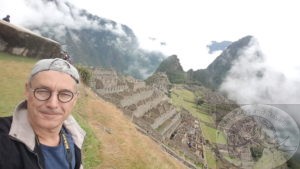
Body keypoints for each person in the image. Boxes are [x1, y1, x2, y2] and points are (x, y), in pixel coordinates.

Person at [0, 58, 86, 169]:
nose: (52, 104)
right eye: (43, 91)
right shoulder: (4, 141)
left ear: (74, 99)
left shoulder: (74, 136)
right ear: (27, 91)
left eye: (65, 94)